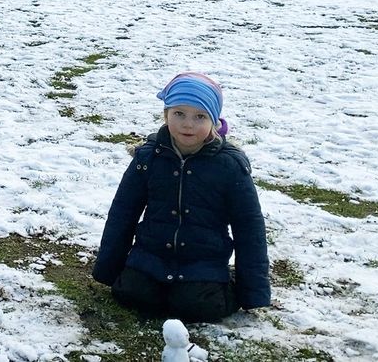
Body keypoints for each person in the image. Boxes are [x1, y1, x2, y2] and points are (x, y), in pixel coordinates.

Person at [92, 72, 270, 323]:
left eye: (200, 116)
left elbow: (249, 226)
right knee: (131, 294)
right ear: (166, 116)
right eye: (179, 114)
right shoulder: (148, 158)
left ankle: (219, 290)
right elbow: (123, 213)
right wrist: (108, 271)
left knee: (195, 305)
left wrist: (253, 293)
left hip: (202, 263)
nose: (188, 124)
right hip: (151, 256)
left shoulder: (229, 165)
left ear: (214, 121)